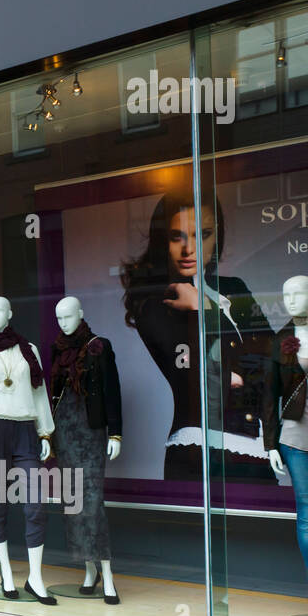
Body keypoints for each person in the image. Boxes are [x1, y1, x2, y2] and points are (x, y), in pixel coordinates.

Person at [121, 187, 273, 482]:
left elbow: (271, 360)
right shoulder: (154, 302)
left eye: (203, 234)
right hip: (198, 447)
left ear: (217, 238)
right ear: (162, 241)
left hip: (257, 447)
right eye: (177, 236)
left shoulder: (234, 287)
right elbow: (199, 377)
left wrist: (202, 304)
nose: (189, 248)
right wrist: (200, 308)